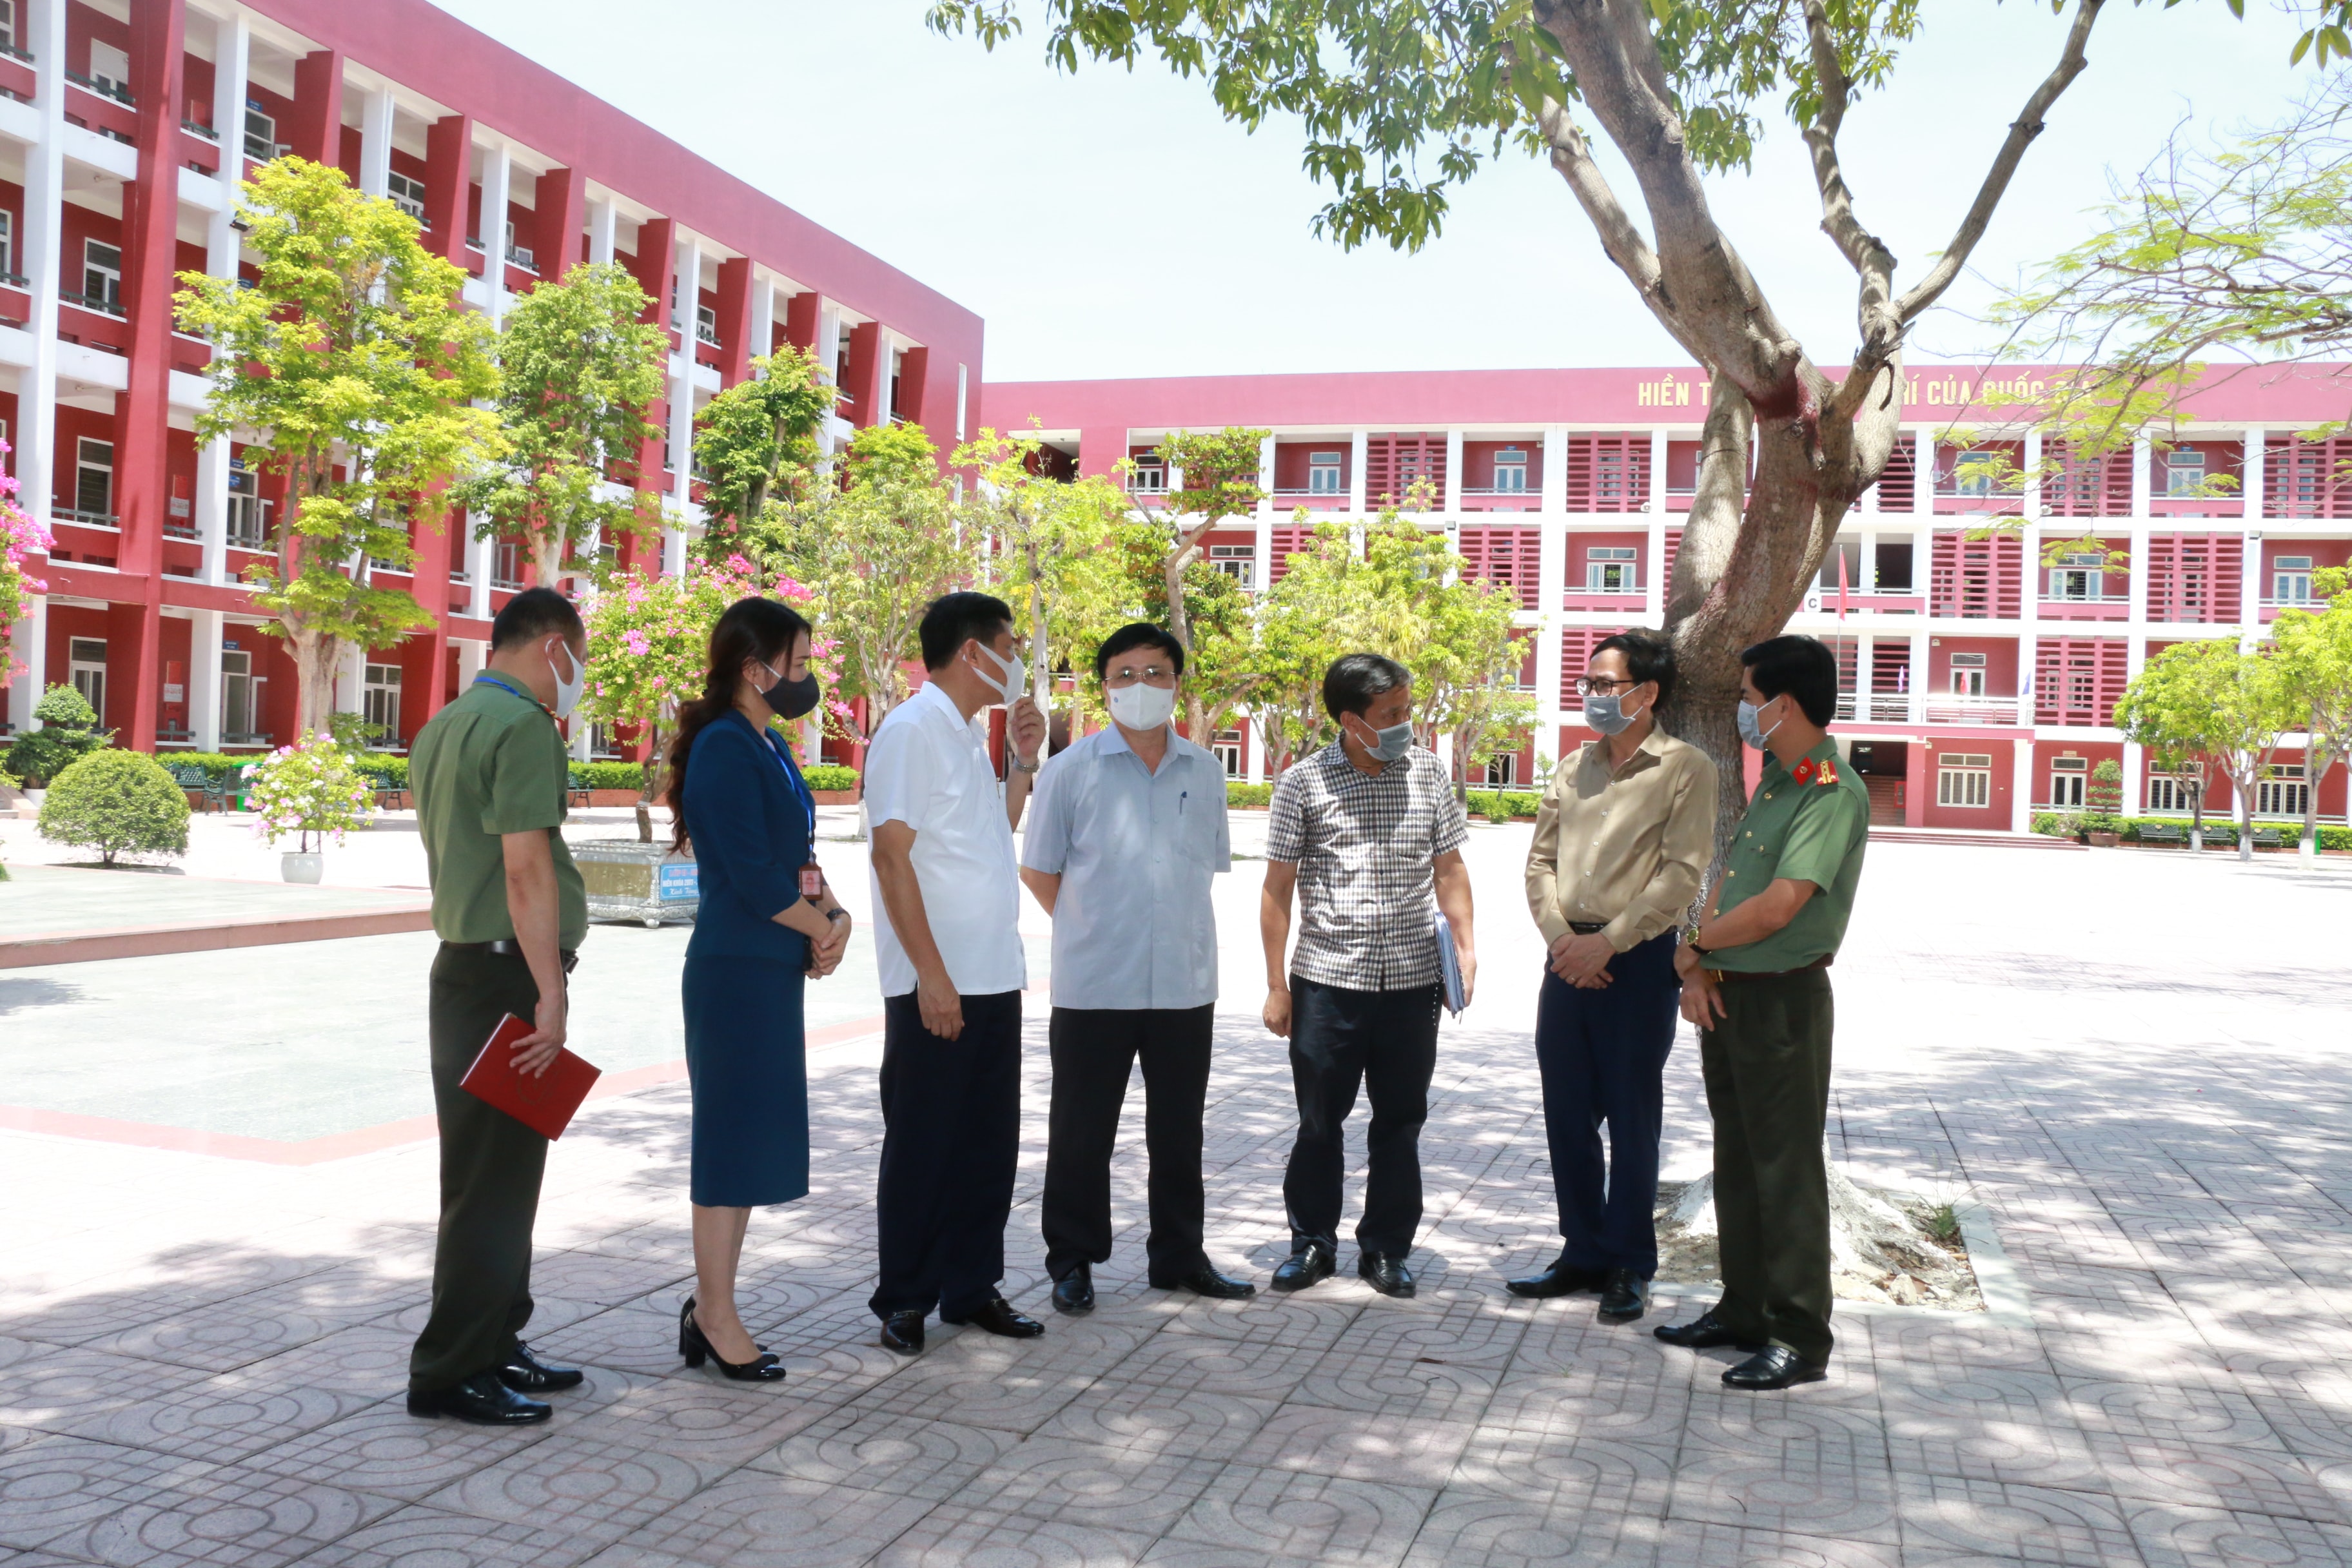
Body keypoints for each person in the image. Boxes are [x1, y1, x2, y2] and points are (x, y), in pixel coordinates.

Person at [1019, 623, 1256, 1314]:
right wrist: (1094, 923)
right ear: (1103, 687)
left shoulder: (1205, 772)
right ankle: (1072, 1260)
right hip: (1097, 980)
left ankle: (1179, 1256)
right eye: (1124, 674)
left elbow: (1204, 869)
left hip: (1184, 982)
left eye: (1155, 673)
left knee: (1180, 1132)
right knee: (1082, 1133)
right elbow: (1039, 868)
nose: (1140, 687)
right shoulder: (1069, 770)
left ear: (1177, 684)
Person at [1655, 634, 1868, 1391]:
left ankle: (1800, 1334)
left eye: (1749, 697)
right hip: (1731, 991)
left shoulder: (1828, 789)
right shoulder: (1779, 779)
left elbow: (1780, 907)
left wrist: (1690, 944)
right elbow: (1731, 882)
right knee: (1739, 1161)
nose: (1745, 710)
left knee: (1786, 1169)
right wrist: (1702, 958)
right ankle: (1743, 1307)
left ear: (1783, 704)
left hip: (1783, 1000)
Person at [404, 587, 591, 1425]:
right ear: (551, 647)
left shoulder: (444, 724)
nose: (576, 679)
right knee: (491, 1185)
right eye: (576, 660)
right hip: (506, 975)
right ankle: (449, 1369)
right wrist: (551, 993)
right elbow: (525, 870)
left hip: (464, 974)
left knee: (494, 1175)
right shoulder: (522, 729)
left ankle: (495, 1340)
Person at [665, 596, 855, 1382]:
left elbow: (795, 856)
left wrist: (832, 912)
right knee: (728, 1145)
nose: (808, 677)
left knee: (747, 1144)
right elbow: (747, 875)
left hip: (772, 967)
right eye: (800, 662)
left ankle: (713, 1304)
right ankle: (714, 1313)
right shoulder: (722, 748)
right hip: (736, 968)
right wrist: (816, 928)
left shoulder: (769, 744)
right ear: (755, 669)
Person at [1511, 630, 1717, 1323]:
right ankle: (1582, 1251)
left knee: (1632, 1116)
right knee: (1566, 1113)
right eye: (1589, 684)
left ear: (1646, 691)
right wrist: (1563, 940)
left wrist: (1612, 944)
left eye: (1606, 684)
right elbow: (1539, 864)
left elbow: (1683, 872)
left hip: (1635, 962)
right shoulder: (1572, 767)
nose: (1594, 696)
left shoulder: (1687, 767)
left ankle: (1630, 1259)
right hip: (1565, 957)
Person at [863, 591, 1050, 1354]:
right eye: (1008, 642)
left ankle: (971, 1285)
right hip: (938, 980)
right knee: (924, 1141)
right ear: (973, 652)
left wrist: (1025, 763)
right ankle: (904, 1295)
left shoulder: (968, 732)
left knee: (985, 1141)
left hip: (991, 972)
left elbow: (989, 832)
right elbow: (890, 853)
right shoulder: (911, 729)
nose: (1016, 657)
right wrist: (930, 975)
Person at [1260, 653, 1475, 1299]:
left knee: (1401, 1121)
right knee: (1319, 1121)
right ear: (1352, 721)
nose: (1406, 723)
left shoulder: (1430, 775)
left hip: (1412, 984)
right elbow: (1277, 891)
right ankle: (1312, 1243)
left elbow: (1450, 870)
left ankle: (1385, 1247)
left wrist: (1465, 947)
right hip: (1327, 982)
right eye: (1393, 714)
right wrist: (1277, 985)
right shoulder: (1303, 784)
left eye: (1408, 710)